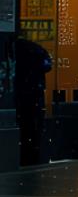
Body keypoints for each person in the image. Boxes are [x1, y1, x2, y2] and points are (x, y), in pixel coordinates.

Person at [13, 37, 51, 166]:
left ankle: (24, 156)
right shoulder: (37, 51)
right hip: (34, 94)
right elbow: (47, 66)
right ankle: (31, 157)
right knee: (32, 129)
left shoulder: (14, 50)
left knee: (24, 126)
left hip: (21, 94)